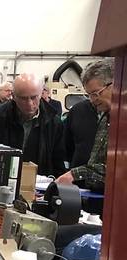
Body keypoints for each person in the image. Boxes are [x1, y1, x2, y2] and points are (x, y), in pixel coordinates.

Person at [0, 73, 65, 177]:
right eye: (23, 98)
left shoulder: (54, 123)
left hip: (39, 188)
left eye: (34, 97)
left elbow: (58, 163)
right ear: (13, 96)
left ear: (41, 94)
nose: (30, 104)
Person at [57, 59, 113, 194]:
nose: (93, 100)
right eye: (89, 95)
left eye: (96, 93)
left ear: (114, 85)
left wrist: (75, 174)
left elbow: (117, 171)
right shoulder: (106, 118)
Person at [63, 98, 98, 168]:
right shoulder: (77, 110)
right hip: (78, 171)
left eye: (96, 93)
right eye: (90, 93)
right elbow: (67, 143)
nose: (93, 99)